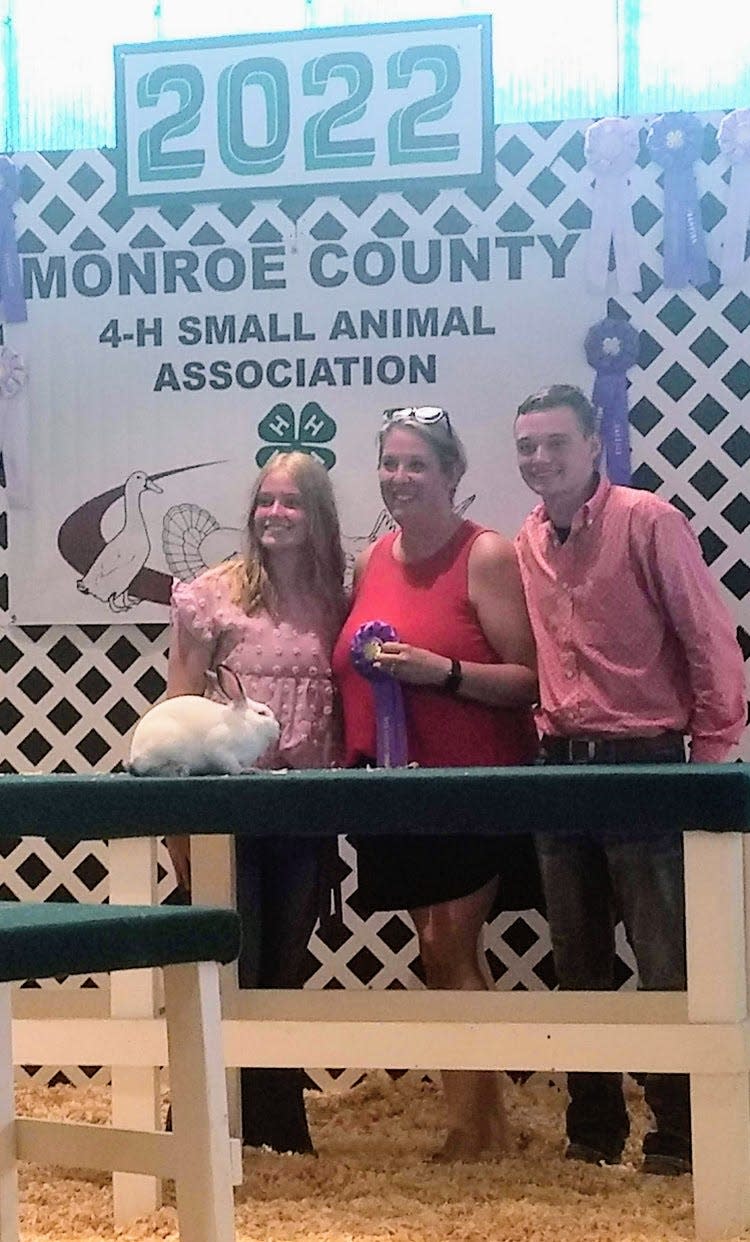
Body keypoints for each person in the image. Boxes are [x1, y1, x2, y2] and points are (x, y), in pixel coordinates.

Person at [513, 382, 746, 1176]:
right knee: (576, 961)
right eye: (527, 447)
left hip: (645, 759)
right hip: (559, 766)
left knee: (665, 959)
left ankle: (680, 1136)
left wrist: (710, 760)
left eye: (553, 443)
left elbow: (711, 639)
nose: (539, 459)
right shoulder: (528, 539)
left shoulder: (650, 521)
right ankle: (594, 1129)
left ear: (593, 446)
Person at [333, 405, 540, 1162]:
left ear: (452, 474)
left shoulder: (486, 555)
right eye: (390, 463)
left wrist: (439, 672)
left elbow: (529, 680)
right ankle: (483, 1125)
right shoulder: (372, 560)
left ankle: (476, 1130)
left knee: (453, 940)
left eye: (417, 464)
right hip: (395, 786)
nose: (400, 477)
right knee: (433, 947)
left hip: (475, 781)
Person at [165, 450, 346, 1155]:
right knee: (229, 963)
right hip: (226, 808)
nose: (275, 514)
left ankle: (277, 1129)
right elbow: (180, 705)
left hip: (305, 808)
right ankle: (205, 1128)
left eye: (292, 502)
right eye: (266, 501)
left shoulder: (342, 596)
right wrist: (178, 827)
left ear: (318, 515)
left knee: (284, 968)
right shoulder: (213, 593)